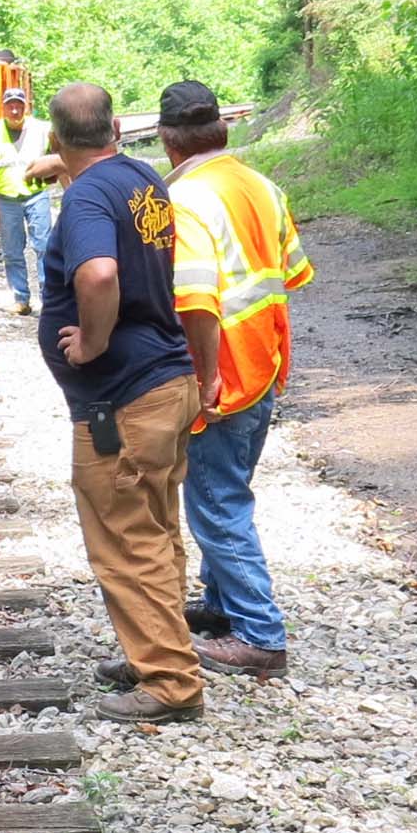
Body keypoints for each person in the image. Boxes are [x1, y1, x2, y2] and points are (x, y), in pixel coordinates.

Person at [37, 83, 204, 723]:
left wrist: (91, 341)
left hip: (122, 399)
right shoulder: (141, 178)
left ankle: (170, 682)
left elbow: (99, 273)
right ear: (115, 131)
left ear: (56, 140)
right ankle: (156, 652)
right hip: (165, 382)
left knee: (127, 541)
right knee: (158, 529)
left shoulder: (85, 198)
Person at [159, 79, 313, 680]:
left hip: (225, 373)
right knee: (228, 492)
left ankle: (259, 635)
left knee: (218, 505)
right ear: (221, 130)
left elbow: (197, 299)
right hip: (267, 363)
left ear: (169, 142)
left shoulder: (189, 199)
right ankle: (223, 605)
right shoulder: (262, 185)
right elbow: (292, 274)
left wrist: (205, 376)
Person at [0, 86, 56, 316]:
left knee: (43, 247)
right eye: (10, 105)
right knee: (12, 251)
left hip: (36, 195)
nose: (14, 109)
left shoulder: (42, 130)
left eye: (18, 105)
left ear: (25, 107)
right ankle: (21, 299)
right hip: (7, 199)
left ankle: (48, 299)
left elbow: (59, 159)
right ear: (4, 108)